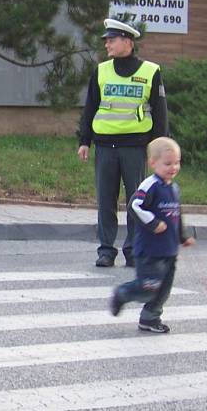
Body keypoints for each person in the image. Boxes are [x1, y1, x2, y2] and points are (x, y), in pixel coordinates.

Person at [77, 18, 169, 268]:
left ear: (127, 42)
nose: (107, 43)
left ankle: (133, 250)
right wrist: (84, 140)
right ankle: (106, 250)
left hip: (135, 148)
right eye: (106, 39)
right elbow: (90, 107)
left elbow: (160, 113)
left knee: (135, 203)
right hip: (106, 147)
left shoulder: (150, 71)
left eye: (111, 39)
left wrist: (160, 149)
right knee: (105, 201)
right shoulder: (102, 71)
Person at [110, 137, 195, 333]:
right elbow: (134, 206)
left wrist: (183, 236)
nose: (173, 167)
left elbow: (177, 213)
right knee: (148, 287)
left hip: (169, 250)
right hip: (149, 251)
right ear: (152, 163)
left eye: (177, 162)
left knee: (163, 288)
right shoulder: (150, 185)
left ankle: (150, 318)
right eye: (167, 163)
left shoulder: (173, 187)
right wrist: (153, 223)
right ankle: (123, 293)